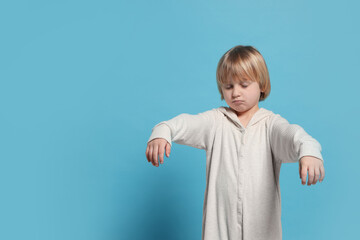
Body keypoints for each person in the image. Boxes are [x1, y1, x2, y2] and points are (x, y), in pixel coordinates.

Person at [145, 45, 325, 240]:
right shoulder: (215, 121)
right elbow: (186, 123)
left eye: (244, 85)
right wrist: (163, 131)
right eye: (228, 86)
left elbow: (293, 135)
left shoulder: (271, 125)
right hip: (220, 231)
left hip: (262, 232)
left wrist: (308, 151)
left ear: (262, 85)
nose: (236, 93)